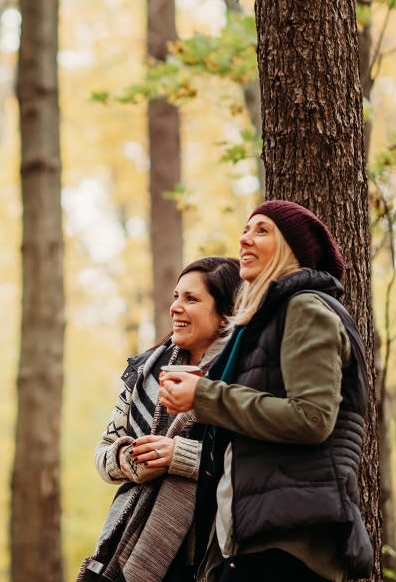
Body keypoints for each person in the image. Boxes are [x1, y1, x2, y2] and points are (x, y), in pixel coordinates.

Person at [158, 200, 373, 582]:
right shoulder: (264, 322)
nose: (245, 240)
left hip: (290, 543)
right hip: (255, 539)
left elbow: (312, 419)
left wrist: (204, 396)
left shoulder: (306, 309)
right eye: (245, 229)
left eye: (262, 230)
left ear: (292, 249)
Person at [77, 256, 242, 582]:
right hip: (129, 543)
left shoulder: (242, 377)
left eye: (191, 299)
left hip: (208, 548)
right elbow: (103, 451)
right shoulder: (142, 372)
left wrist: (178, 457)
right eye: (176, 297)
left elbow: (251, 460)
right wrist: (129, 459)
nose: (176, 307)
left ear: (225, 315)